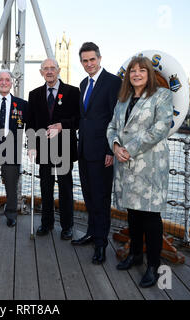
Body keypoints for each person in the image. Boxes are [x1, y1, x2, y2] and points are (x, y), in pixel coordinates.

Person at [107, 56, 173, 288]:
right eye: (132, 71)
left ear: (149, 74)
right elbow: (113, 126)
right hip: (125, 164)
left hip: (150, 165)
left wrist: (128, 148)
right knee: (133, 213)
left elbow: (161, 127)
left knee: (150, 216)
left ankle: (153, 267)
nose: (136, 74)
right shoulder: (123, 99)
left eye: (141, 70)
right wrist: (115, 146)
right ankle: (135, 255)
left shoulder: (162, 96)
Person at [73, 42, 121, 265]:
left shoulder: (113, 83)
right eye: (85, 60)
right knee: (89, 196)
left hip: (103, 153)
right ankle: (92, 233)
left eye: (92, 59)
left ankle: (101, 244)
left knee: (101, 199)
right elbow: (84, 117)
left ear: (100, 59)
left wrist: (110, 150)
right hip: (84, 151)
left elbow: (116, 119)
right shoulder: (83, 84)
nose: (89, 64)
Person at [26, 58, 80, 240]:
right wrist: (32, 145)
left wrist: (61, 126)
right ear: (41, 72)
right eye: (45, 69)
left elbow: (78, 120)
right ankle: (46, 223)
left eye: (52, 68)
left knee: (65, 188)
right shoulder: (34, 95)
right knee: (45, 187)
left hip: (65, 148)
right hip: (43, 149)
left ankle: (67, 226)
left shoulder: (72, 92)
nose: (49, 71)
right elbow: (30, 124)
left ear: (58, 70)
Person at [0, 69, 27, 228]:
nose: (4, 82)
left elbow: (31, 126)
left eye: (7, 80)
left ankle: (11, 214)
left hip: (12, 149)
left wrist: (33, 145)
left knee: (11, 185)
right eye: (0, 79)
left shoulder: (22, 104)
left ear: (11, 83)